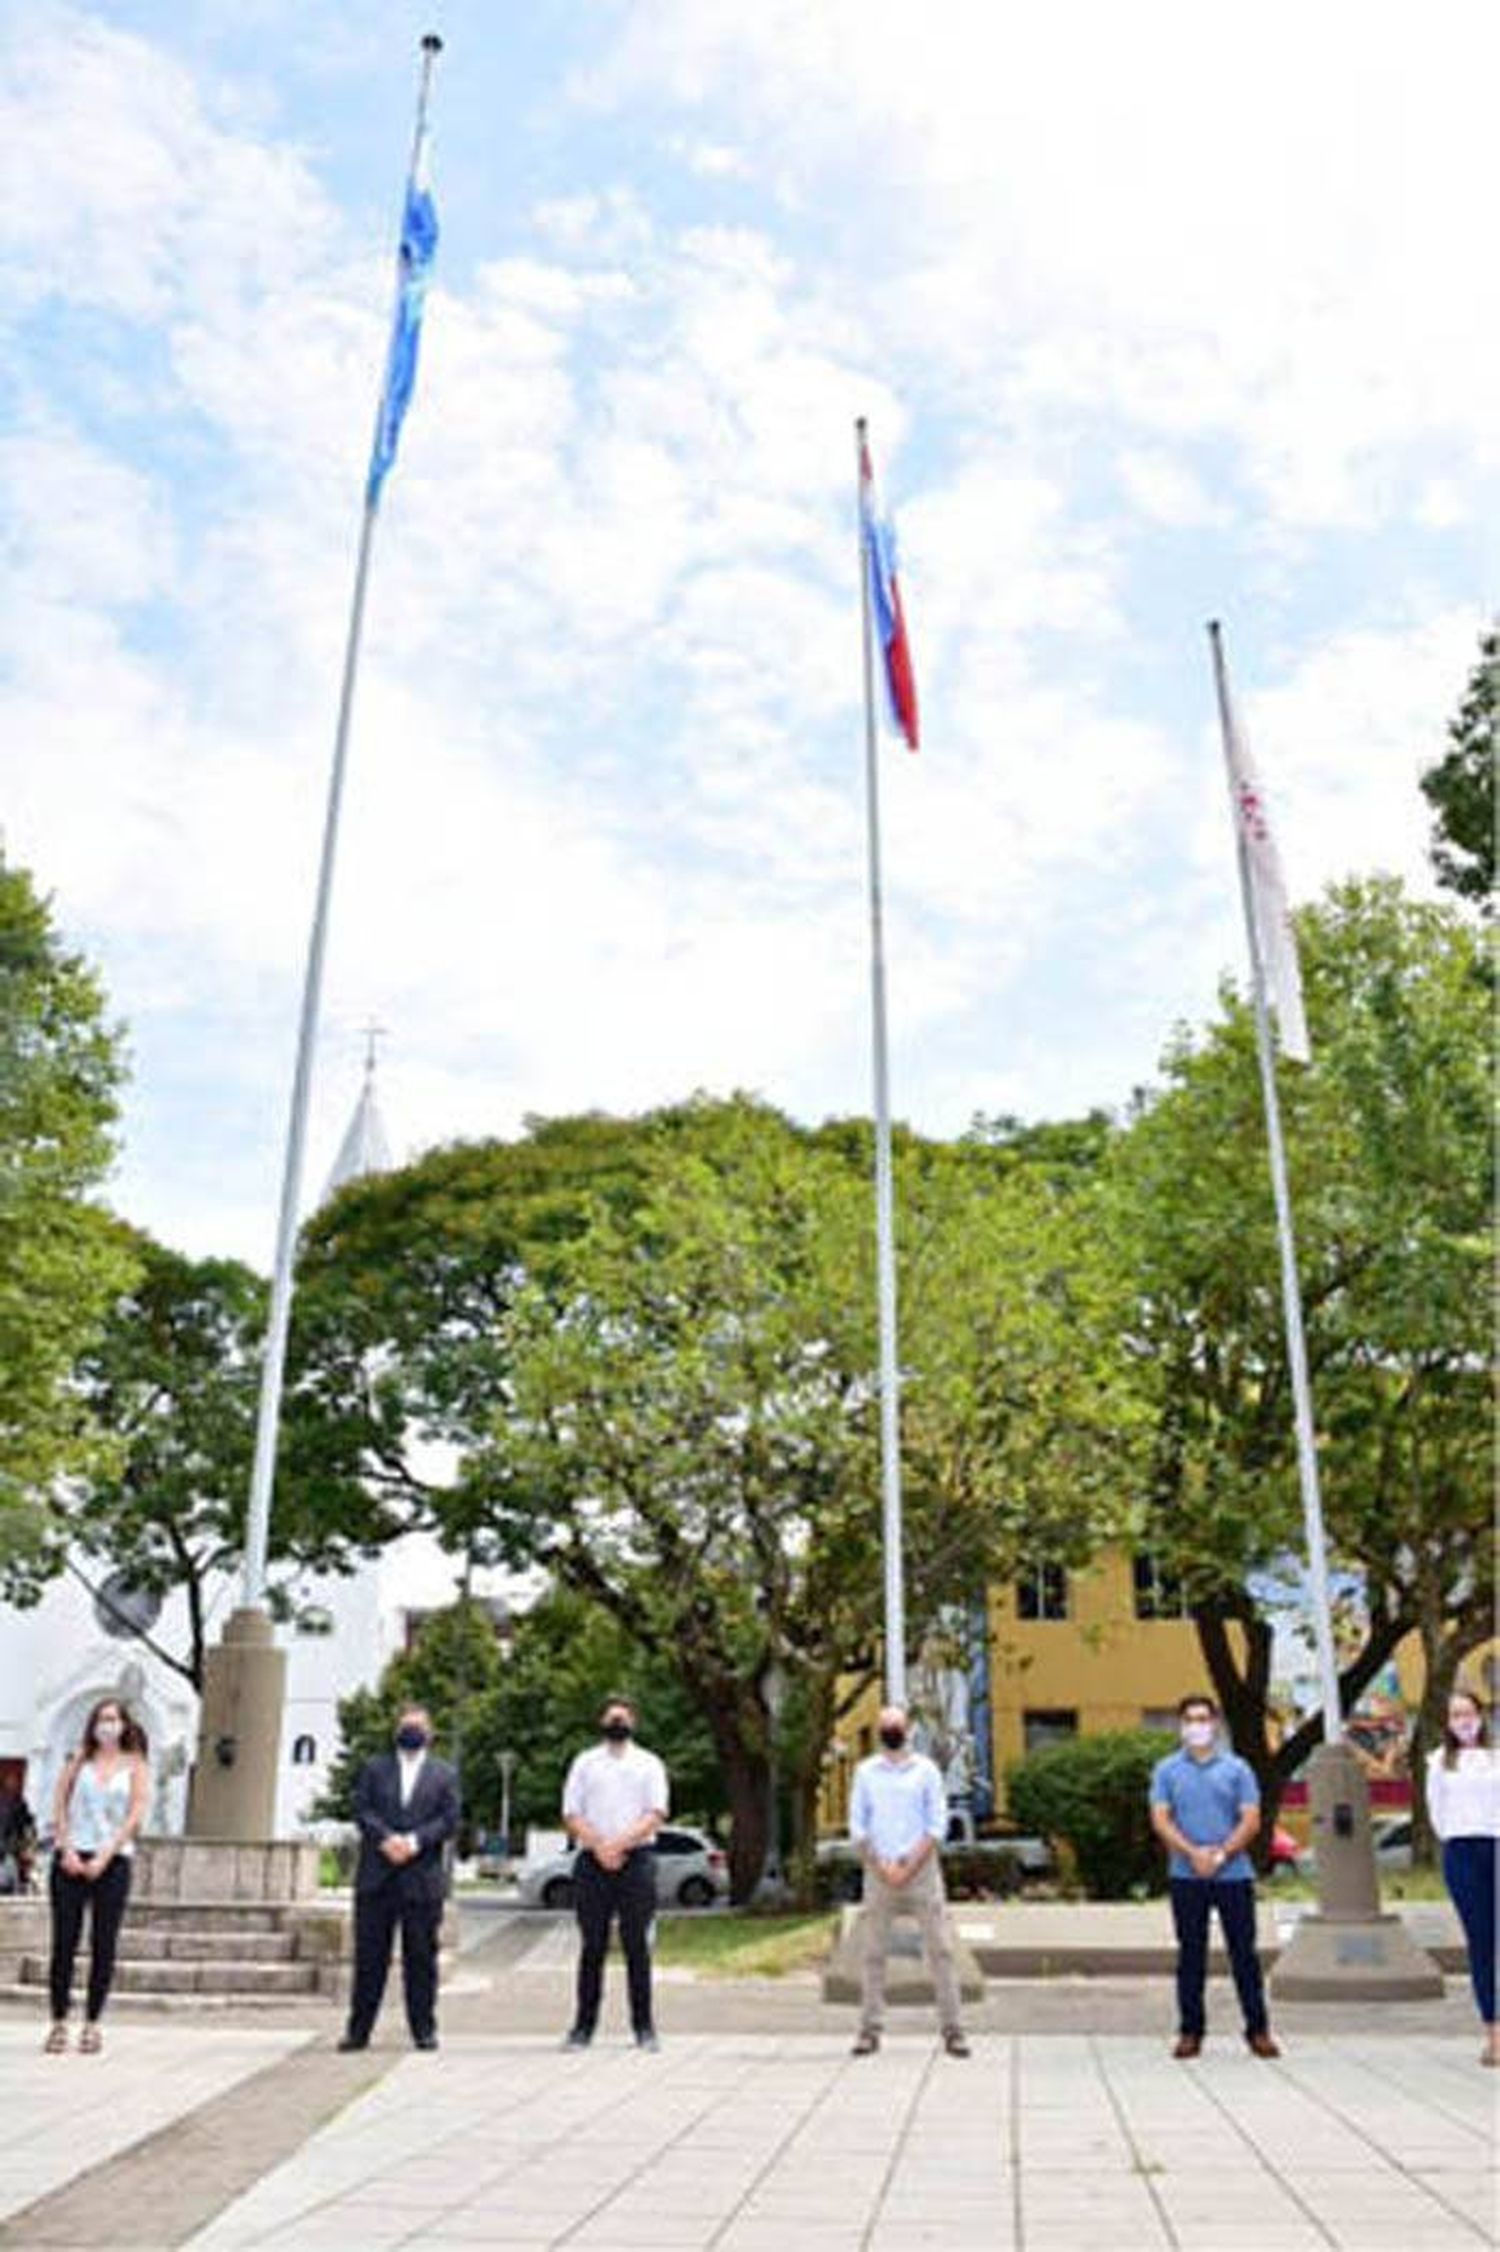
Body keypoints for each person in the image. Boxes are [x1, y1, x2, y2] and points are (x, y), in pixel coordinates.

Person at [1150, 1693, 1279, 2059]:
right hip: (1185, 1876)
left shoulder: (1237, 1769)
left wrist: (1222, 1854)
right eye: (1190, 1719)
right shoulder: (1167, 1770)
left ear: (1215, 1723)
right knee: (1191, 1955)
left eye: (1203, 1719)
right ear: (1181, 1725)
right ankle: (1191, 2031)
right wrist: (1193, 1853)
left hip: (1234, 1876)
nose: (1197, 1726)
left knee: (1244, 1955)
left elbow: (1251, 1819)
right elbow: (1161, 1819)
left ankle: (1258, 2030)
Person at [849, 1704, 969, 2058]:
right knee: (872, 1954)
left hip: (922, 1871)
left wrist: (909, 1865)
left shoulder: (927, 1771)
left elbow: (937, 1825)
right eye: (885, 1726)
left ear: (908, 1729)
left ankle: (954, 2029)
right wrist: (882, 1866)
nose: (892, 1731)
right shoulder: (865, 1772)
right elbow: (858, 1826)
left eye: (896, 1725)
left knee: (942, 1950)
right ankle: (869, 2029)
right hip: (879, 1871)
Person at [339, 1704, 459, 2053]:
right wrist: (386, 1838)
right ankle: (358, 2031)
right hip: (377, 1877)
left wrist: (413, 1841)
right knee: (369, 1958)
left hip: (421, 1880)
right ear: (396, 1731)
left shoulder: (443, 1774)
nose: (412, 1731)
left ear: (431, 1733)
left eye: (418, 1726)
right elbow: (362, 1810)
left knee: (421, 1957)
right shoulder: (375, 1769)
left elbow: (449, 1820)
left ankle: (423, 2029)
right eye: (406, 1725)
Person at [560, 1694, 667, 2051]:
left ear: (633, 1722)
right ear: (601, 1723)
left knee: (638, 1945)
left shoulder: (649, 1763)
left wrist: (619, 1844)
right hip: (593, 1860)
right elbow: (572, 1813)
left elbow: (656, 1813)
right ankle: (583, 2027)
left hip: (636, 1859)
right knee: (593, 1947)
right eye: (611, 1718)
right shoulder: (585, 1763)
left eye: (622, 1718)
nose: (617, 1724)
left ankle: (644, 2027)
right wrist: (600, 1846)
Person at [44, 1698, 150, 2053]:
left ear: (124, 1725)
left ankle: (92, 2023)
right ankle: (59, 2021)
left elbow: (135, 1813)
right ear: (92, 1725)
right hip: (72, 1858)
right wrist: (67, 1848)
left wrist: (106, 1854)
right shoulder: (79, 1761)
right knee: (64, 1943)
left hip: (113, 1859)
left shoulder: (135, 1765)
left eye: (114, 1719)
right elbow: (59, 1803)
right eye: (102, 1719)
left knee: (103, 1944)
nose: (108, 1725)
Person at [1426, 1685, 1498, 2066]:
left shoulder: (1496, 1759)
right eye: (1455, 1716)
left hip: (1496, 1844)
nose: (1463, 1722)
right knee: (1482, 1942)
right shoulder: (1439, 1762)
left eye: (1468, 1714)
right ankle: (1493, 2031)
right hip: (1462, 1851)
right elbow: (1436, 1814)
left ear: (1481, 1716)